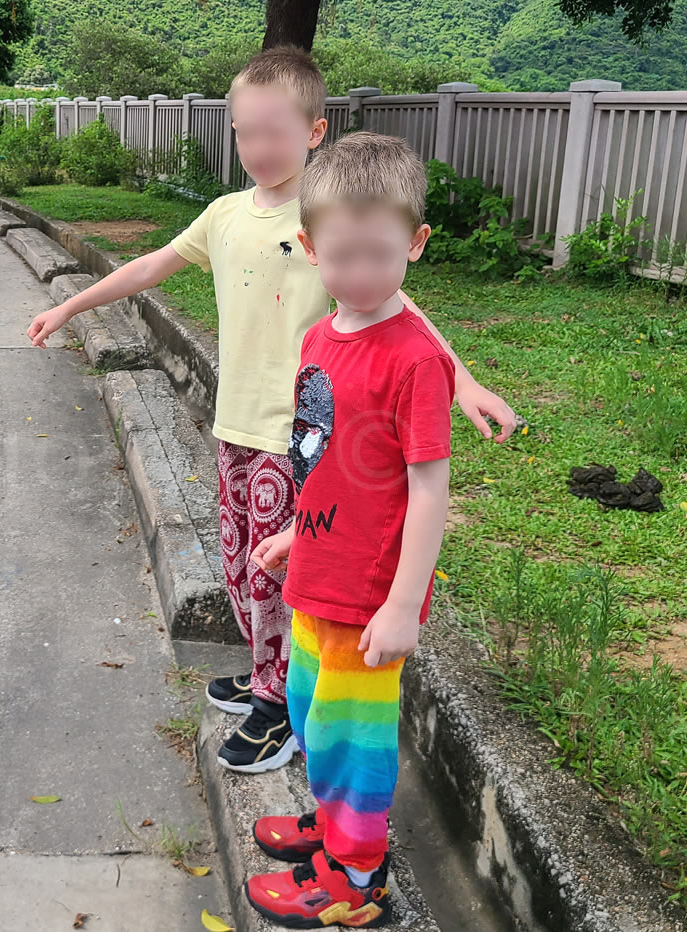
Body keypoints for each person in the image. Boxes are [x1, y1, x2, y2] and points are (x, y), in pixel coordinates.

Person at [27, 46, 514, 775]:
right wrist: (71, 302)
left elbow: (397, 303)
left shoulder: (331, 218)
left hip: (303, 441)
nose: (258, 148)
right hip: (235, 426)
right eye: (243, 132)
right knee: (243, 564)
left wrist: (463, 379)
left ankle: (279, 707)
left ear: (315, 133)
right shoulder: (225, 214)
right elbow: (149, 265)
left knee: (292, 576)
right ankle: (266, 673)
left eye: (273, 132)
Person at [243, 131, 450, 928]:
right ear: (308, 245)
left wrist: (403, 605)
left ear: (416, 243)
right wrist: (301, 532)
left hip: (370, 599)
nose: (358, 276)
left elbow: (428, 494)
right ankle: (331, 833)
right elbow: (325, 460)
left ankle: (357, 876)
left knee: (352, 741)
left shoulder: (415, 359)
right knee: (309, 710)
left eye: (379, 255)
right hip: (319, 576)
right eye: (340, 257)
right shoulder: (319, 339)